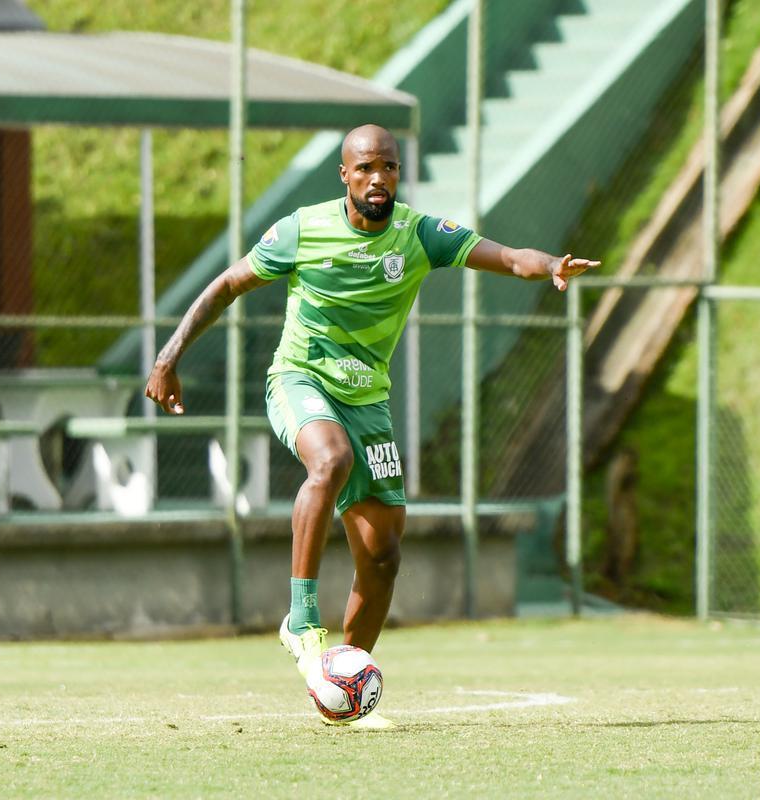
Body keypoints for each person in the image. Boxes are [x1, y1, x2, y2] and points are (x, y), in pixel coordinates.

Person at [144, 124, 599, 728]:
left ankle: (340, 685)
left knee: (382, 554)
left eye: (387, 166)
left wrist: (549, 266)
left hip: (368, 403)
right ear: (345, 176)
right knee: (330, 460)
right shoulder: (303, 230)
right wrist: (168, 356)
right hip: (299, 381)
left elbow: (509, 258)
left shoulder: (419, 235)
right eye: (364, 168)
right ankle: (301, 619)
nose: (377, 178)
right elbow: (229, 283)